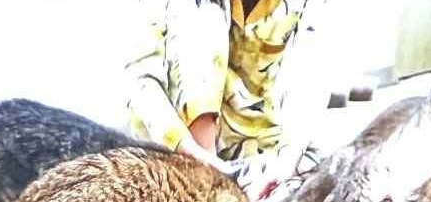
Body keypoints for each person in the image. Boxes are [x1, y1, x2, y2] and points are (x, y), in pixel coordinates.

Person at [125, 0, 335, 190]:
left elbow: (311, 85)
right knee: (204, 11)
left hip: (264, 160)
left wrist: (282, 168)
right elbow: (140, 81)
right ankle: (205, 176)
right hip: (176, 148)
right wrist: (191, 150)